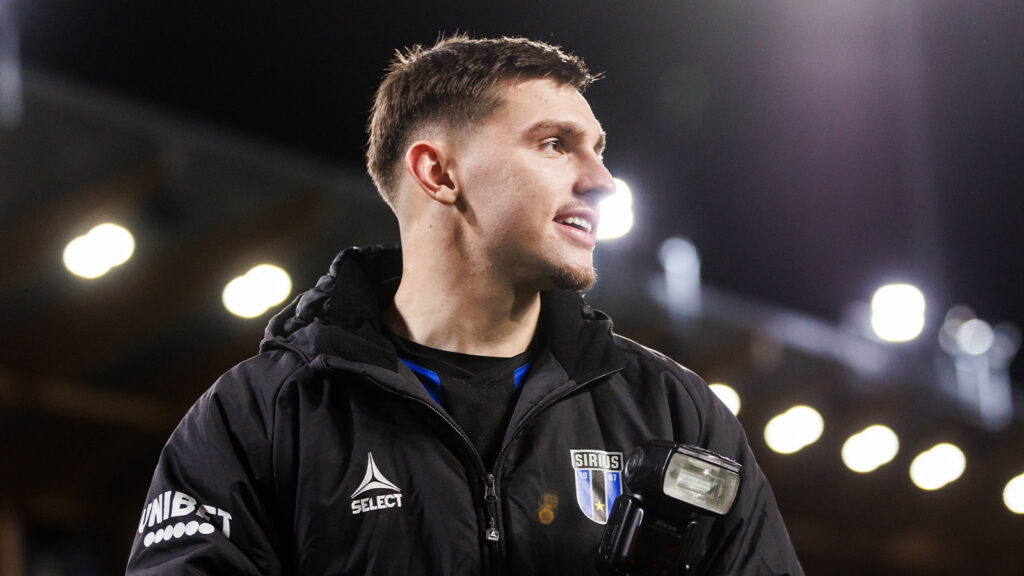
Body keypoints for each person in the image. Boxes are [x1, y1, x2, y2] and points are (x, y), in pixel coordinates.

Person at [126, 35, 804, 575]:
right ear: (439, 172)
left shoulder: (677, 413)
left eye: (598, 151)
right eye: (555, 145)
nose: (602, 181)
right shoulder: (261, 417)